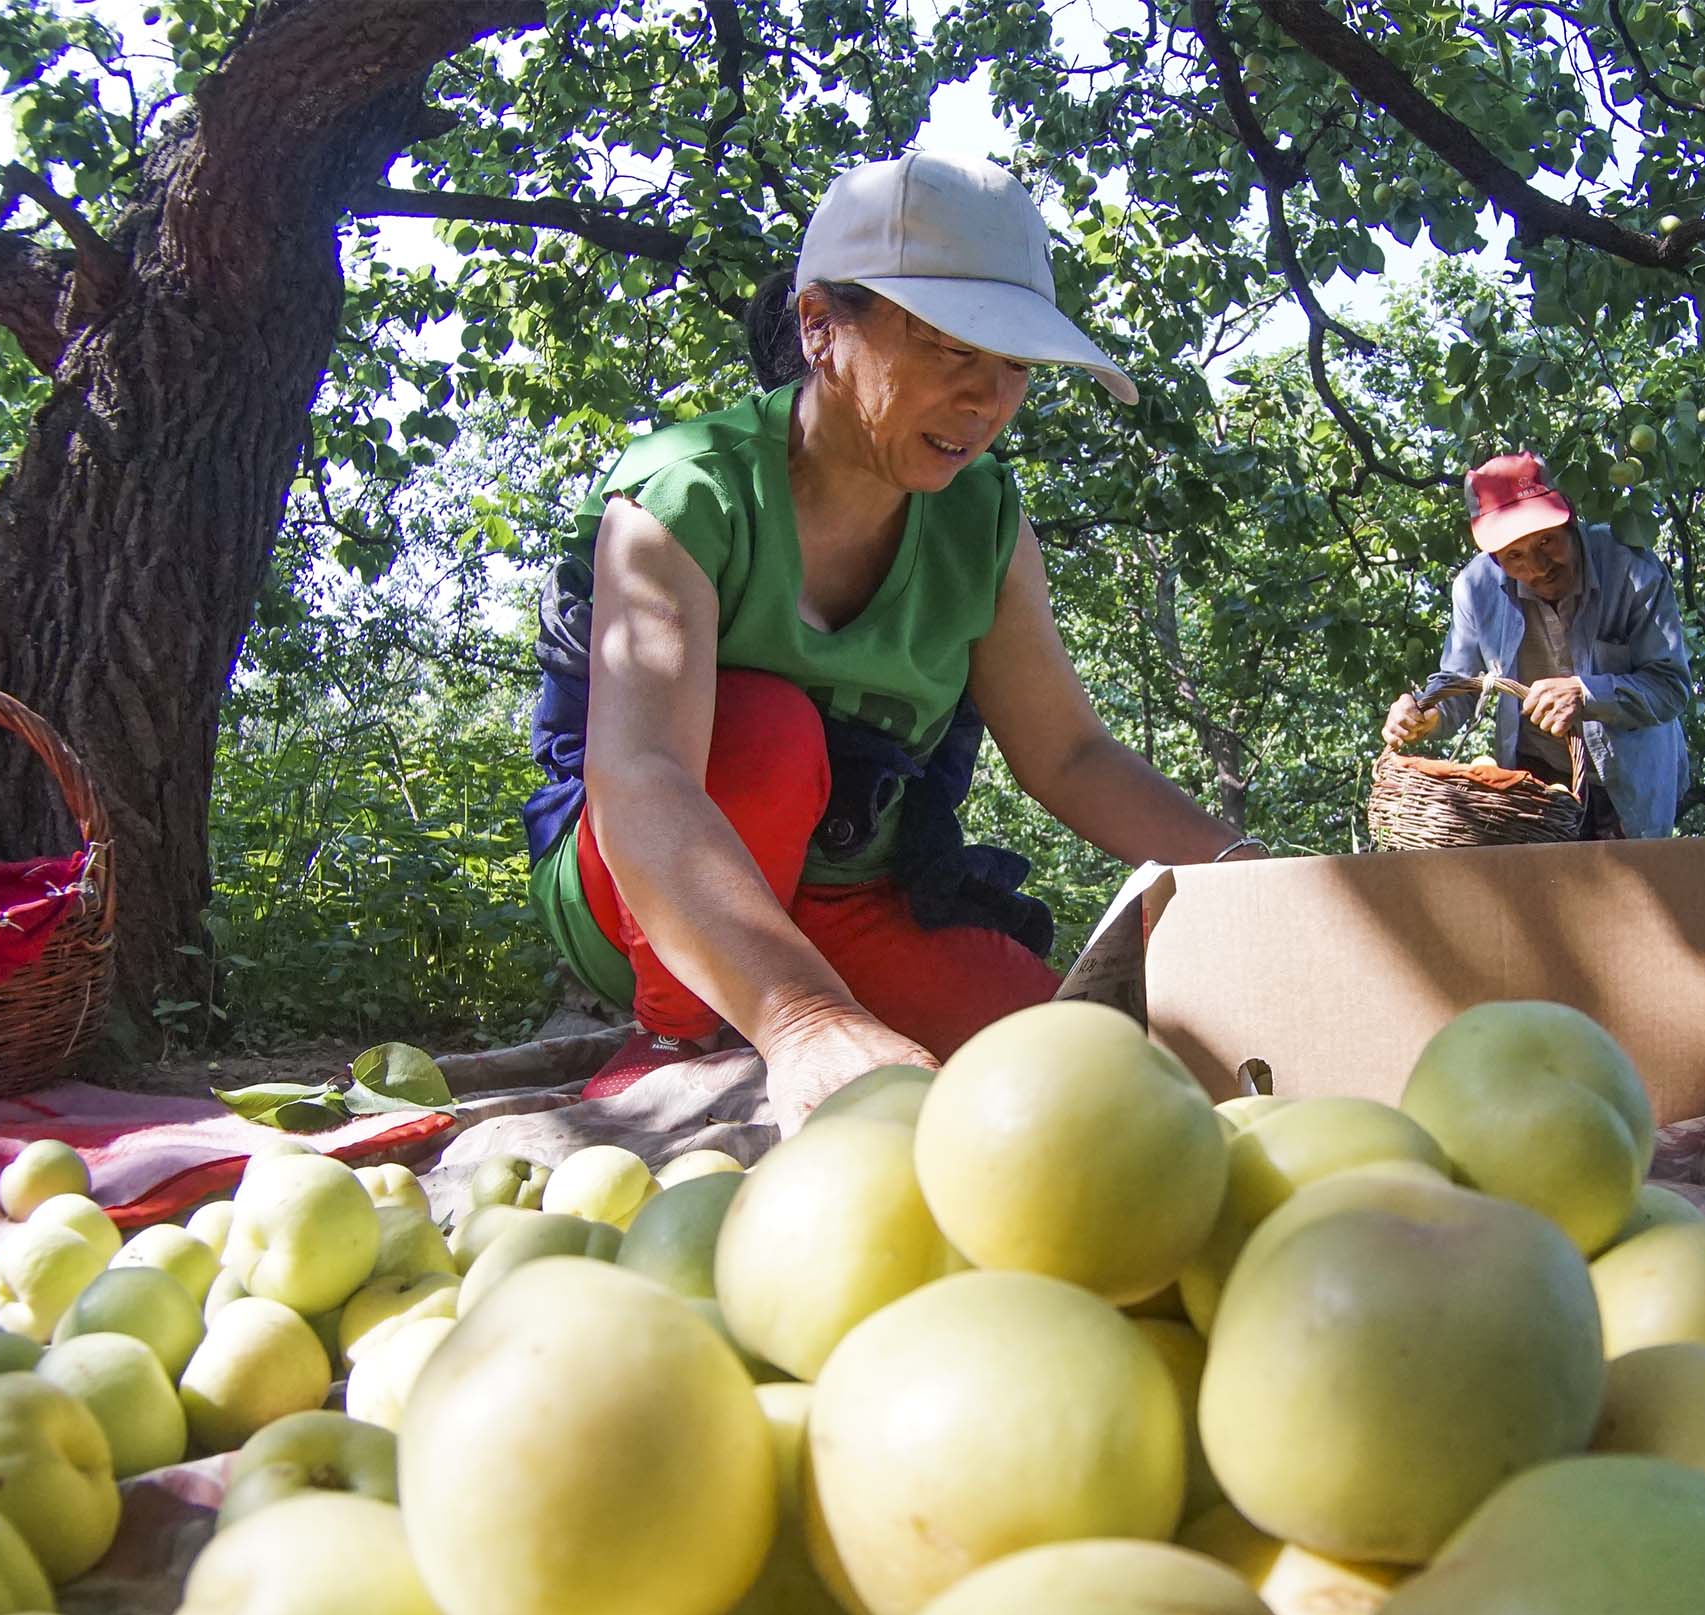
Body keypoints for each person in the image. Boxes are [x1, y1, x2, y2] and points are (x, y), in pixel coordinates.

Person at [521, 155, 1257, 1119]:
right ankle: (679, 1033)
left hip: (853, 890)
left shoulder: (985, 520)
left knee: (1073, 1069)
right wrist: (804, 1019)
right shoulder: (688, 495)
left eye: (1017, 367)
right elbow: (641, 780)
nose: (988, 401)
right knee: (769, 731)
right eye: (952, 349)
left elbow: (1071, 756)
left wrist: (1260, 884)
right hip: (637, 895)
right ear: (820, 323)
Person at [1384, 453, 1696, 839]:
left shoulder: (1633, 571)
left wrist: (1586, 694)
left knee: (1631, 896)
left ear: (1569, 516)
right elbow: (1457, 685)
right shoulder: (1475, 588)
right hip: (1538, 786)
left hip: (1630, 780)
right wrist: (1426, 713)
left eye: (1547, 541)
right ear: (1493, 556)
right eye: (1514, 555)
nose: (1537, 567)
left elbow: (1670, 688)